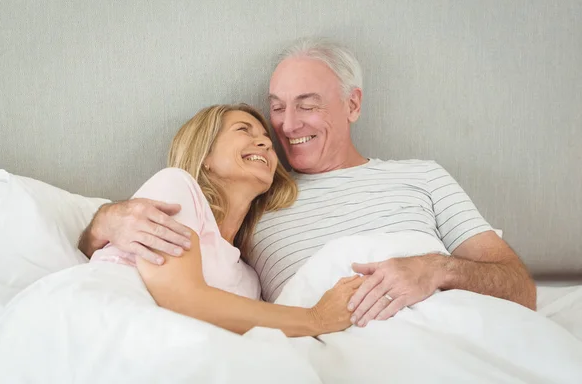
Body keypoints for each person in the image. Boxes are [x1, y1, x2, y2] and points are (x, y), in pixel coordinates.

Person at [79, 38, 536, 329]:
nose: (283, 126)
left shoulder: (423, 176)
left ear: (352, 105)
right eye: (276, 107)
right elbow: (182, 259)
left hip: (451, 322)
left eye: (307, 104)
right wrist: (106, 218)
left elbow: (522, 290)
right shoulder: (265, 201)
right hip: (342, 342)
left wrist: (438, 268)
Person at [88, 103, 363, 337]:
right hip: (104, 326)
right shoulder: (175, 188)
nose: (267, 143)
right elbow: (181, 297)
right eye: (243, 129)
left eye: (267, 139)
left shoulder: (249, 280)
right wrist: (316, 319)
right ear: (206, 155)